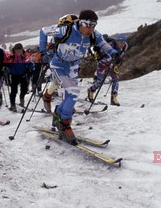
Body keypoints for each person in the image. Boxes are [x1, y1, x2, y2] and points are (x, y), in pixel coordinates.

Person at [39, 10, 118, 144]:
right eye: (88, 26)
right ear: (81, 23)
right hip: (58, 65)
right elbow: (43, 31)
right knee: (73, 92)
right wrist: (43, 53)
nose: (90, 29)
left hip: (73, 66)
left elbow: (103, 44)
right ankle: (64, 124)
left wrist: (114, 53)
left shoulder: (93, 34)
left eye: (93, 26)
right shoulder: (65, 31)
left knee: (72, 95)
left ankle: (59, 114)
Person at [88, 34, 128, 106]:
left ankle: (114, 99)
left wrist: (117, 63)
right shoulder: (109, 46)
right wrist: (109, 62)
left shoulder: (125, 47)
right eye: (120, 42)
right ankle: (91, 90)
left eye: (123, 42)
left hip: (113, 65)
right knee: (99, 82)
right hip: (103, 64)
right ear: (117, 41)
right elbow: (100, 57)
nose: (122, 44)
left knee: (116, 79)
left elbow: (120, 57)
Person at [6, 43, 33, 112]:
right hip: (14, 75)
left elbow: (30, 63)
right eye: (17, 51)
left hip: (23, 74)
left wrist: (31, 68)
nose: (18, 52)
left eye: (20, 51)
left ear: (22, 50)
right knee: (13, 91)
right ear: (14, 50)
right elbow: (7, 63)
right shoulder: (11, 56)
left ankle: (22, 98)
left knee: (24, 89)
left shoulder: (25, 56)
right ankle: (12, 104)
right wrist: (6, 67)